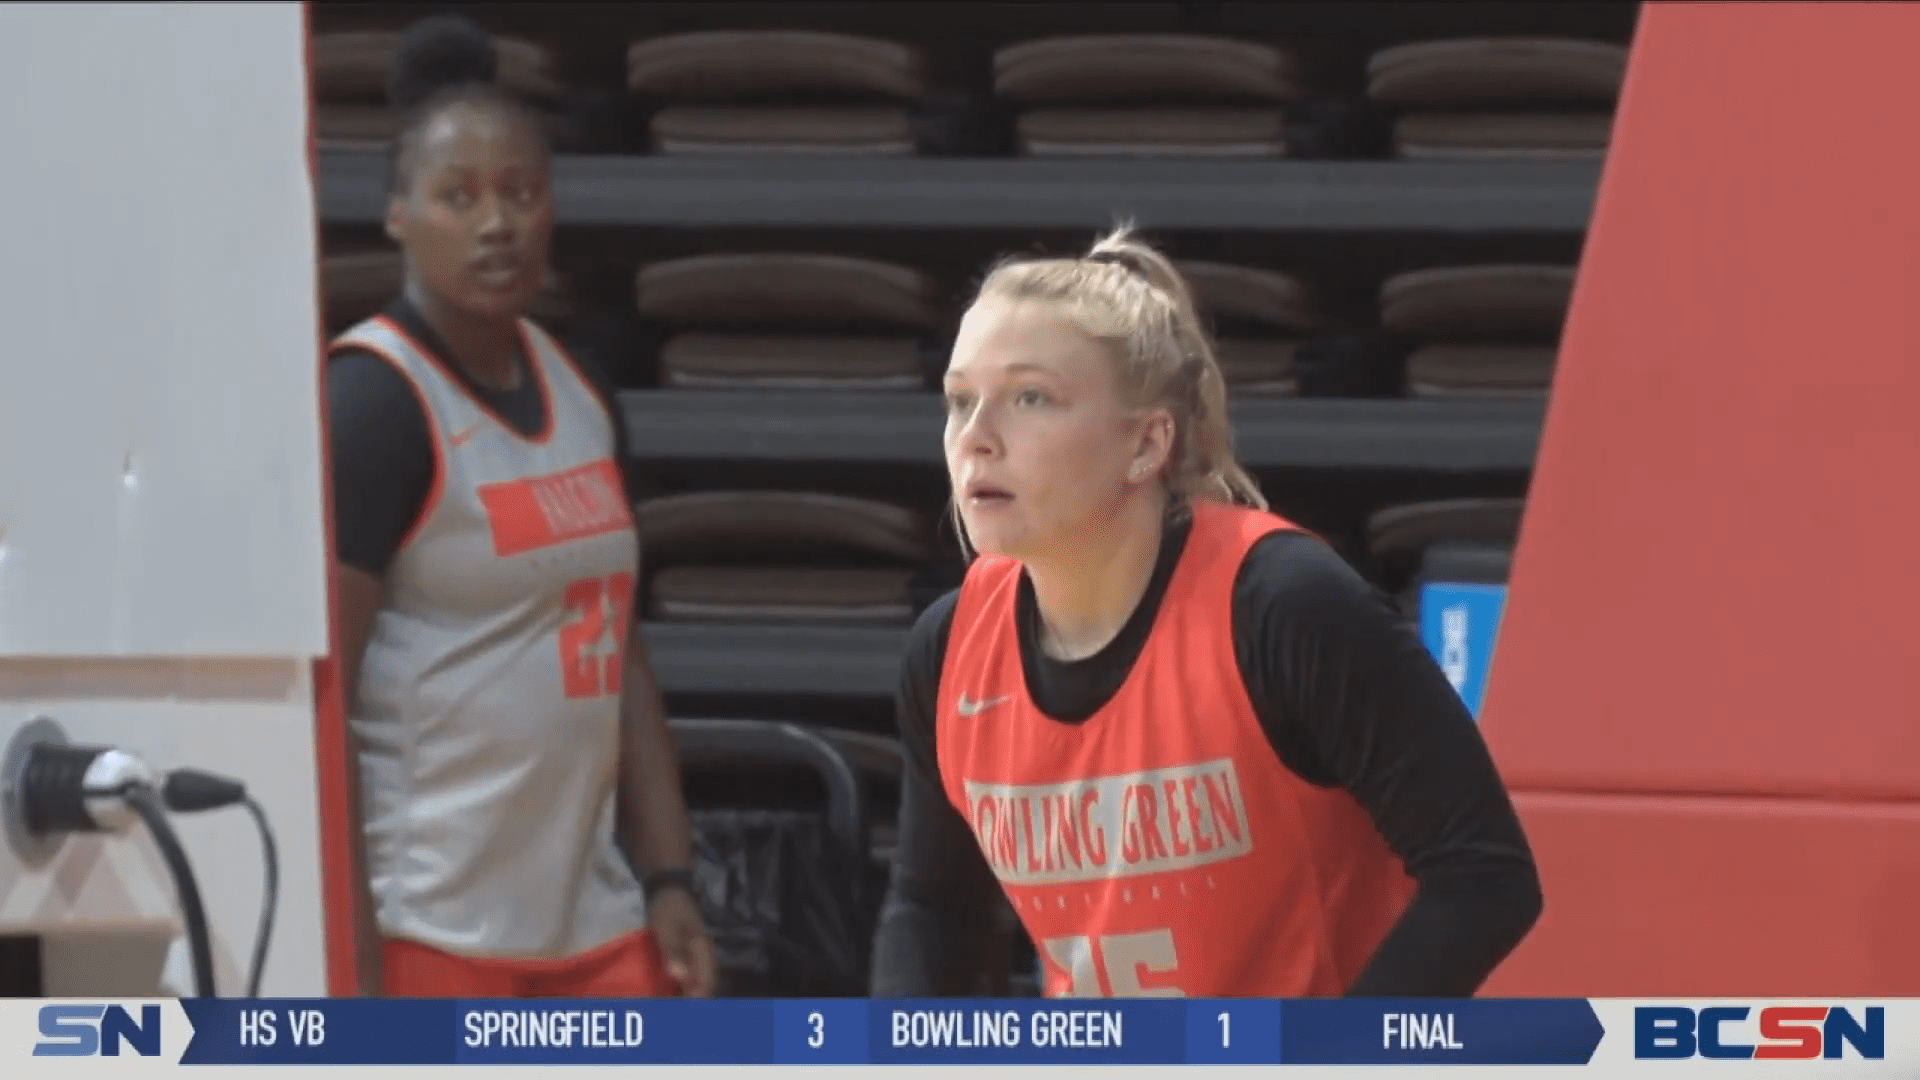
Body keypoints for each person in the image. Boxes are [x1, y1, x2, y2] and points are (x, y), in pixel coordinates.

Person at [870, 227, 1543, 998]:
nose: (975, 438)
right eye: (960, 400)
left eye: (1031, 398)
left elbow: (1485, 875)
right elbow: (932, 912)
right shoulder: (949, 649)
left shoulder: (1286, 608)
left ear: (1147, 445)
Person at [324, 15, 715, 999]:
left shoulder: (582, 389)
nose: (496, 223)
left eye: (520, 193)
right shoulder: (373, 403)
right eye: (459, 196)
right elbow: (325, 703)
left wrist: (670, 873)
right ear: (398, 212)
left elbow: (621, 653)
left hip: (594, 918)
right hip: (430, 926)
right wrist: (353, 953)